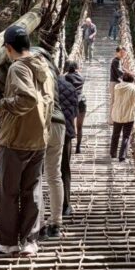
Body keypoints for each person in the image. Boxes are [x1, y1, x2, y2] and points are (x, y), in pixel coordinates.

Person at [0, 24, 54, 256]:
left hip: (15, 139)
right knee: (32, 191)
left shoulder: (18, 68)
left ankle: (9, 243)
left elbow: (27, 99)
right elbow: (46, 101)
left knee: (8, 192)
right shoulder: (43, 66)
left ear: (8, 47)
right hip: (39, 138)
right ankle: (30, 241)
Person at [32, 48, 67, 240]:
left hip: (40, 124)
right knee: (55, 176)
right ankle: (56, 223)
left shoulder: (30, 69)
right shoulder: (54, 73)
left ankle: (40, 224)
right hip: (59, 124)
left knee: (36, 176)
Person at [57, 67, 79, 219]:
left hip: (42, 132)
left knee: (39, 171)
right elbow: (75, 112)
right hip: (65, 131)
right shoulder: (70, 87)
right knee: (64, 168)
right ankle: (66, 205)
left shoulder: (39, 83)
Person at [110, 71, 135, 162]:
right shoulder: (134, 88)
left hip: (117, 114)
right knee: (126, 136)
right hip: (129, 115)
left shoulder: (117, 87)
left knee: (115, 134)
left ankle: (113, 153)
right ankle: (122, 156)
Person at [64, 59, 86, 155]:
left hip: (71, 102)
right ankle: (78, 147)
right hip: (82, 101)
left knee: (70, 125)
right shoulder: (82, 77)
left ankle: (69, 147)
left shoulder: (66, 77)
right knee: (79, 126)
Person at [109, 45, 126, 115]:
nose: (123, 54)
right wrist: (128, 75)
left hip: (116, 82)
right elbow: (119, 71)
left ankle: (114, 117)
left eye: (123, 53)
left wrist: (128, 72)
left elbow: (121, 69)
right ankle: (111, 118)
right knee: (113, 101)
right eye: (121, 52)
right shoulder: (116, 61)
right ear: (117, 53)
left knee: (115, 101)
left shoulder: (118, 60)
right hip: (114, 83)